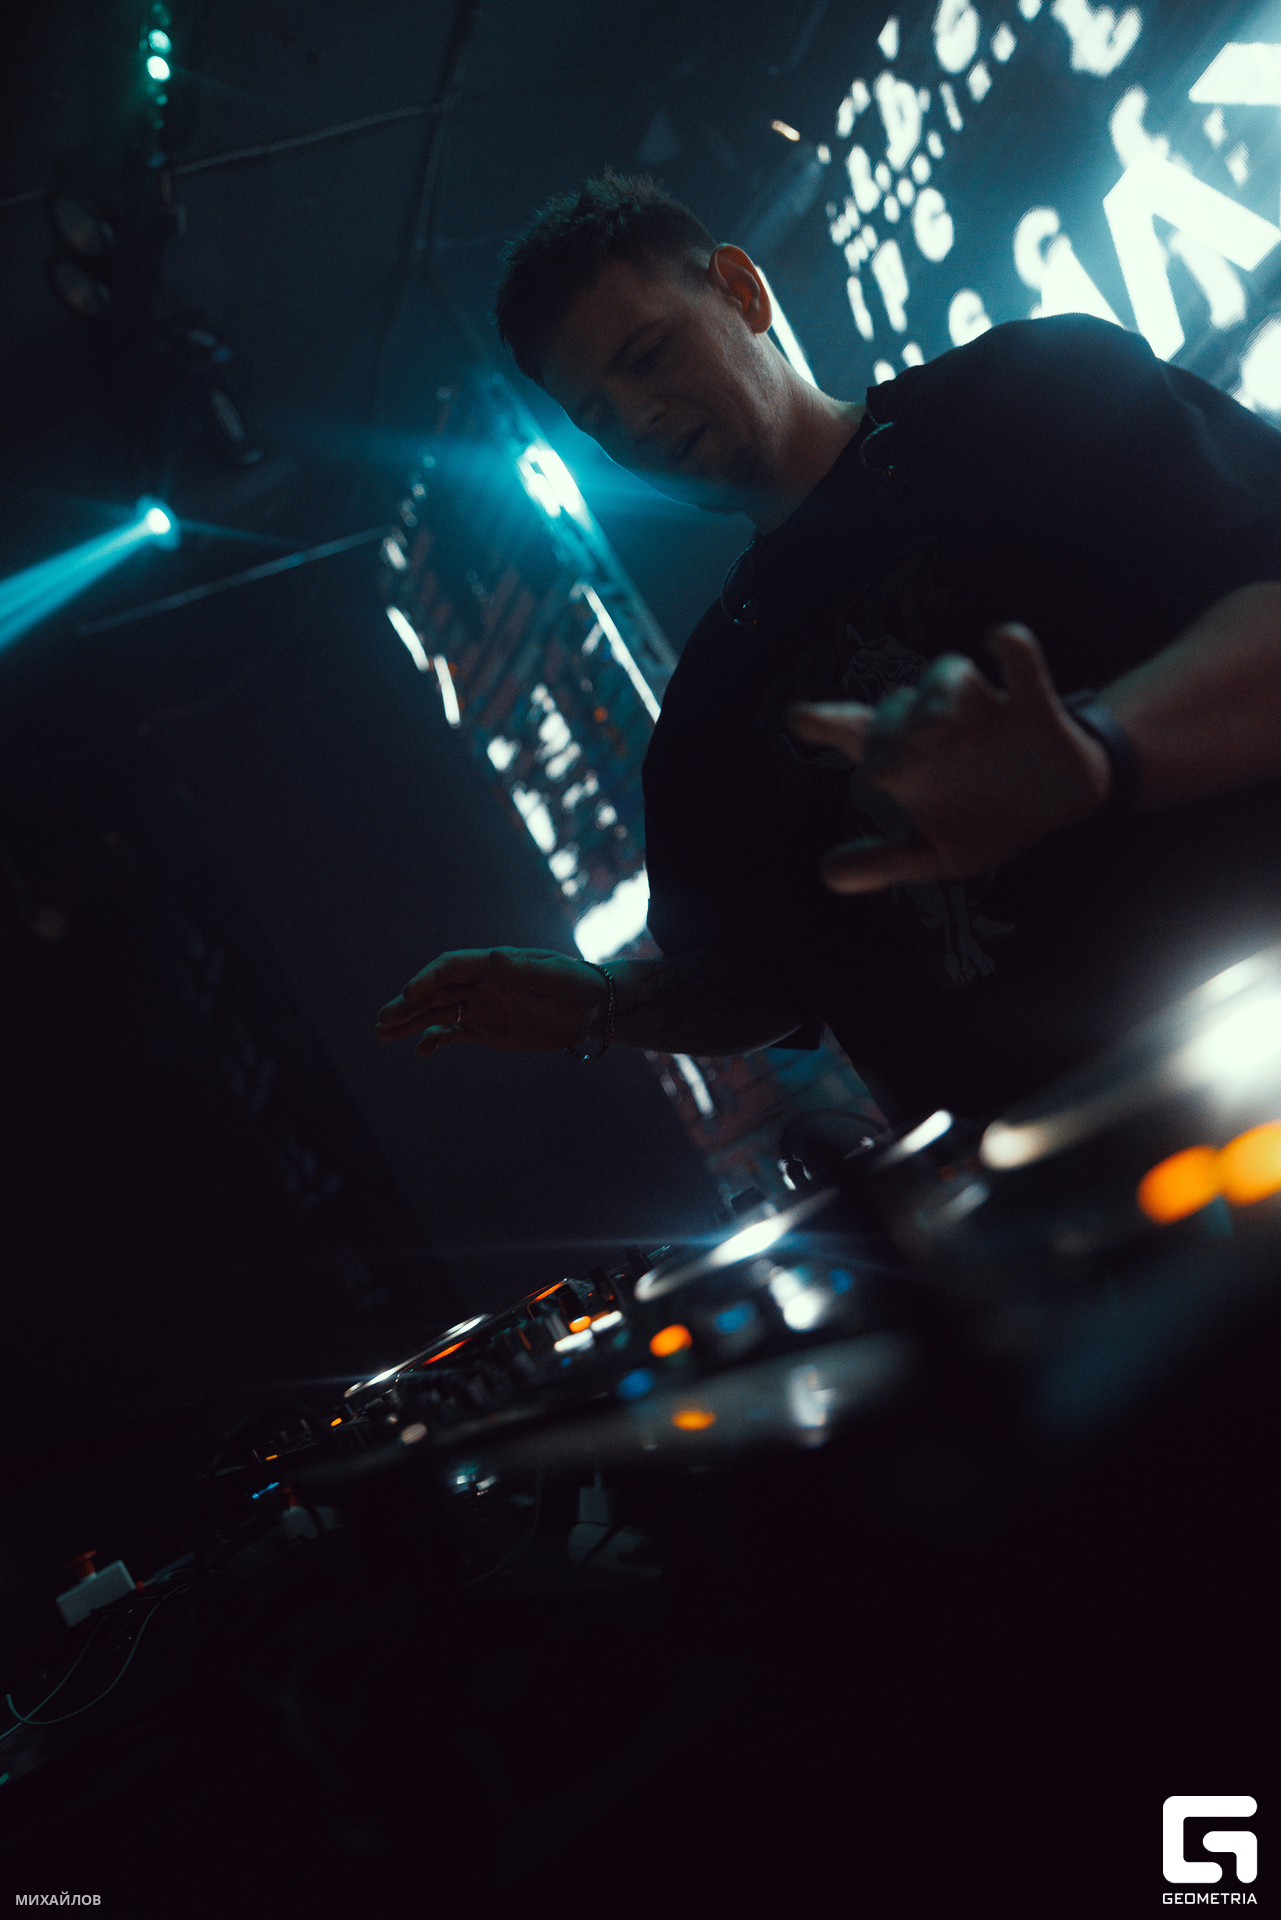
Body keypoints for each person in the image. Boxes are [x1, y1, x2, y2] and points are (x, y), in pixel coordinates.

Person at [376, 173, 1281, 1125]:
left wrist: (1094, 752)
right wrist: (607, 1005)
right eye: (597, 418)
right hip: (1041, 1173)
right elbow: (765, 982)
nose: (636, 421)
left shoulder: (1033, 392)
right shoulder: (706, 718)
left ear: (740, 290)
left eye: (647, 357)